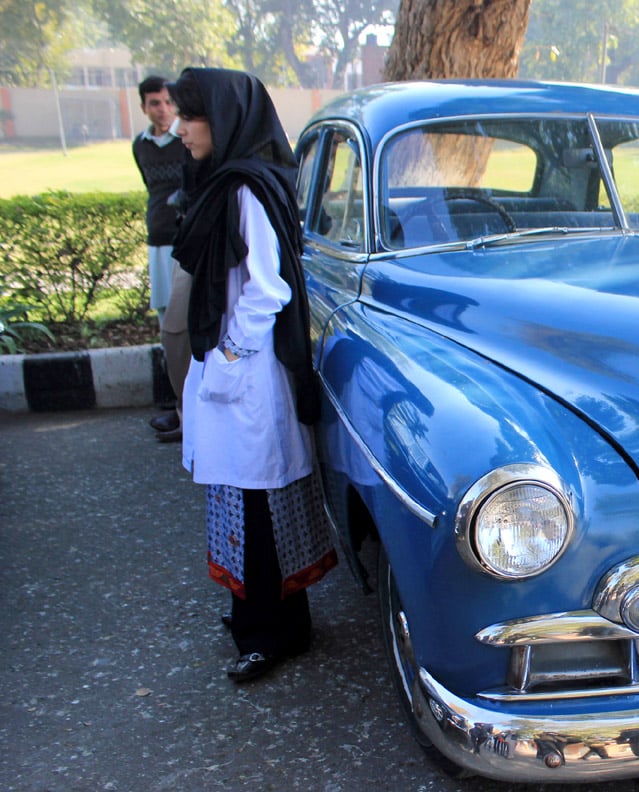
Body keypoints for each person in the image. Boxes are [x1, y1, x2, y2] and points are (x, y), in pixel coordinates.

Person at [167, 67, 335, 683]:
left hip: (246, 371)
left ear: (227, 119)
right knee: (244, 497)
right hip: (233, 368)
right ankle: (266, 620)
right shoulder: (226, 184)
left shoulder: (245, 191)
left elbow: (267, 289)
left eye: (193, 117)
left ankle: (268, 632)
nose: (182, 130)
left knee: (257, 503)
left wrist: (230, 358)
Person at [132, 75, 189, 442]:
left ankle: (186, 411)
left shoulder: (185, 140)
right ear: (144, 107)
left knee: (183, 324)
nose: (163, 109)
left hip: (184, 238)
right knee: (165, 322)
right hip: (158, 238)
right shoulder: (140, 146)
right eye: (155, 103)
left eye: (168, 102)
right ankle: (176, 401)